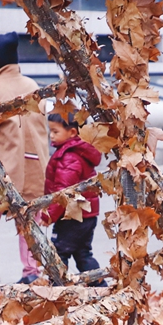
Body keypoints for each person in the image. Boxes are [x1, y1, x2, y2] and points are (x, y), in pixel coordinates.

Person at [0, 33, 49, 284]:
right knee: (29, 221)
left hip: (0, 171)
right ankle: (31, 273)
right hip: (35, 167)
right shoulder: (32, 86)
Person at [41, 113, 101, 273]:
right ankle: (99, 286)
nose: (51, 136)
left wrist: (49, 215)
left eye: (55, 131)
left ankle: (57, 288)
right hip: (86, 215)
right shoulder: (78, 152)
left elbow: (63, 192)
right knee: (83, 253)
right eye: (50, 131)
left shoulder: (69, 157)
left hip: (72, 217)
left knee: (58, 253)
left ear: (72, 132)